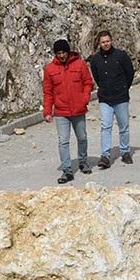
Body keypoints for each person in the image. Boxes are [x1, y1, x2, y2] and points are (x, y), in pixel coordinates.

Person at [42, 38, 94, 183]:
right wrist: (47, 111)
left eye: (64, 52)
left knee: (82, 137)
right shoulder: (49, 69)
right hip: (61, 112)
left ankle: (83, 162)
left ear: (68, 51)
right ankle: (67, 170)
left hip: (78, 110)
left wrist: (85, 98)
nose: (62, 55)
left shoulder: (80, 64)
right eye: (59, 53)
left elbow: (88, 82)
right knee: (63, 141)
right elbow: (48, 92)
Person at [87, 30, 135, 169]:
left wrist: (124, 87)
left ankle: (125, 152)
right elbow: (96, 76)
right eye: (103, 42)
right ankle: (105, 156)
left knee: (123, 126)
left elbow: (130, 73)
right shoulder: (95, 59)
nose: (106, 44)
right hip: (105, 99)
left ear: (111, 40)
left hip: (121, 98)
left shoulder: (121, 55)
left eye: (107, 41)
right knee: (105, 126)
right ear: (99, 43)